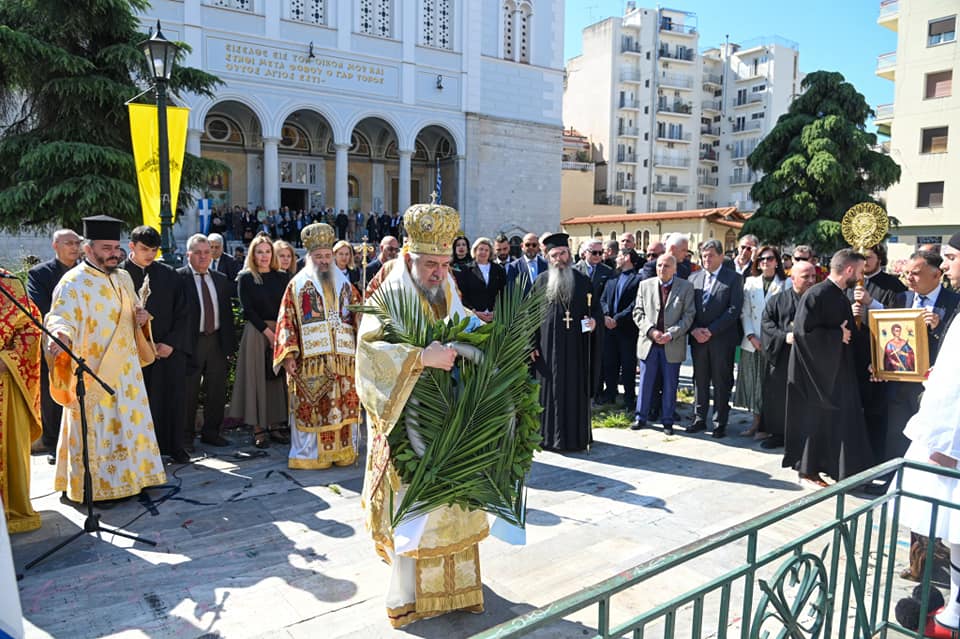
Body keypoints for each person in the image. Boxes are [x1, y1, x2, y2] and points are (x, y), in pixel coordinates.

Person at [356, 202, 491, 627]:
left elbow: (462, 321)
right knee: (417, 512)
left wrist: (486, 339)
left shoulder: (447, 288)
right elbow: (369, 352)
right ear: (409, 258)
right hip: (410, 422)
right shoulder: (390, 294)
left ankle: (457, 591)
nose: (438, 272)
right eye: (431, 264)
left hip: (449, 417)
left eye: (445, 263)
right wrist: (418, 357)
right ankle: (409, 597)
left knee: (453, 506)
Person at [45, 215, 165, 502]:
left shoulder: (123, 277)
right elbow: (59, 318)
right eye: (106, 247)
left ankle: (136, 478)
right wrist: (59, 335)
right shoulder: (73, 283)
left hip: (128, 373)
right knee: (99, 431)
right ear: (89, 249)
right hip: (95, 373)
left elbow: (136, 312)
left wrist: (143, 318)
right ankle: (96, 488)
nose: (114, 252)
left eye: (116, 247)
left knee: (130, 424)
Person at [893, 307, 960, 631]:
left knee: (956, 523)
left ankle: (954, 618)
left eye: (951, 257)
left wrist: (945, 442)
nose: (947, 264)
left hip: (953, 445)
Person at [783, 249, 873, 486]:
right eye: (861, 271)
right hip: (815, 373)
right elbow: (803, 334)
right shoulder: (817, 293)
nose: (862, 276)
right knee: (815, 421)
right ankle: (808, 469)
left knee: (836, 423)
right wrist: (836, 335)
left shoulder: (839, 295)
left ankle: (832, 468)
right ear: (849, 270)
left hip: (836, 371)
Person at [275, 223, 360, 469]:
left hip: (344, 359)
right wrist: (289, 354)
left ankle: (342, 452)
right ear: (310, 257)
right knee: (313, 407)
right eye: (319, 256)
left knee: (343, 407)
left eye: (327, 256)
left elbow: (356, 313)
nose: (324, 261)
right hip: (311, 362)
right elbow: (286, 320)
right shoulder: (297, 284)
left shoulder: (345, 283)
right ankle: (310, 456)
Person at [121, 225, 189, 463]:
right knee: (139, 403)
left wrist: (170, 343)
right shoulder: (119, 276)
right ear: (132, 246)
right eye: (144, 249)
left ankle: (173, 447)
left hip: (165, 351)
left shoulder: (170, 275)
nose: (149, 254)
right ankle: (140, 453)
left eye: (154, 249)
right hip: (132, 353)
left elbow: (184, 313)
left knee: (169, 399)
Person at [532, 233, 602, 451]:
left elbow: (596, 312)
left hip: (575, 351)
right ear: (547, 257)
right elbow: (529, 317)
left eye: (562, 253)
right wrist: (530, 345)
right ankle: (546, 438)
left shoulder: (583, 282)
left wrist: (594, 322)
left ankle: (575, 439)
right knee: (548, 392)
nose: (559, 259)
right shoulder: (541, 281)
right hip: (546, 349)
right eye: (554, 255)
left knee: (573, 391)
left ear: (569, 254)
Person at [229, 235, 291, 449]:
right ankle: (258, 428)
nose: (264, 256)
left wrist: (281, 333)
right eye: (259, 252)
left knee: (276, 379)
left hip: (280, 330)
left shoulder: (282, 277)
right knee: (256, 379)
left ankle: (275, 424)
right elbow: (248, 310)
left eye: (267, 251)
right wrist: (268, 333)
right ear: (253, 255)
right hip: (257, 332)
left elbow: (286, 306)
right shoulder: (246, 277)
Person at [179, 234, 237, 449]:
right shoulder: (179, 279)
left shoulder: (220, 279)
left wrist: (229, 345)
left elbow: (227, 315)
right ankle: (185, 437)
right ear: (188, 255)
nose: (204, 257)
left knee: (216, 390)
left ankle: (212, 432)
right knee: (188, 391)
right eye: (198, 253)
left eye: (207, 252)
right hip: (191, 344)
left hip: (217, 342)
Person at [27, 228, 81, 452]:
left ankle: (79, 440)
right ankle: (52, 444)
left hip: (83, 339)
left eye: (77, 243)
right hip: (54, 341)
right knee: (54, 392)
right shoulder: (40, 273)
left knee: (80, 391)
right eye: (69, 243)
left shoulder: (85, 273)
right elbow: (40, 307)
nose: (74, 247)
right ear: (55, 246)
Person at [631, 254, 696, 434]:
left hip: (672, 343)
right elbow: (638, 312)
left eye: (667, 266)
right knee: (645, 382)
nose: (662, 269)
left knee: (670, 384)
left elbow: (689, 315)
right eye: (659, 265)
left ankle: (667, 420)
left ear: (675, 269)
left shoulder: (686, 287)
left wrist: (671, 334)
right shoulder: (645, 285)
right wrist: (651, 331)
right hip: (649, 342)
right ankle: (640, 417)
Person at [687, 239, 744, 438]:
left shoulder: (733, 279)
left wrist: (711, 330)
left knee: (721, 380)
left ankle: (720, 422)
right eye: (704, 255)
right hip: (697, 339)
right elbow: (688, 309)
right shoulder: (693, 278)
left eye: (711, 255)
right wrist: (694, 329)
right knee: (699, 380)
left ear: (721, 256)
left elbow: (734, 310)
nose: (707, 259)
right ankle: (699, 418)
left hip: (721, 338)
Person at [759, 260, 817, 450]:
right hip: (782, 356)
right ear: (792, 278)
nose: (810, 280)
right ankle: (778, 434)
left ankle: (806, 435)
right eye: (805, 277)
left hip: (810, 360)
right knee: (778, 396)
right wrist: (784, 337)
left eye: (813, 277)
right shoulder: (777, 300)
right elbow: (767, 324)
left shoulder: (819, 301)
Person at [0, 270, 43, 532]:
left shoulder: (7, 284)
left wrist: (8, 359)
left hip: (4, 384)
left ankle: (10, 508)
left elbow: (31, 325)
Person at [735, 246, 790, 438]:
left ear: (777, 261)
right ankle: (755, 423)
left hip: (775, 342)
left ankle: (769, 426)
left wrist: (771, 338)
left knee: (771, 384)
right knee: (754, 383)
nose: (765, 262)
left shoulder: (786, 283)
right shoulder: (750, 282)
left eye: (769, 258)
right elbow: (745, 312)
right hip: (753, 341)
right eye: (761, 259)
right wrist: (751, 335)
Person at [599, 249, 642, 409]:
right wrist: (605, 315)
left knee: (628, 365)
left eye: (619, 256)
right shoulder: (613, 276)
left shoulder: (638, 279)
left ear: (627, 257)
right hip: (609, 329)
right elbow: (603, 299)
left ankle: (629, 398)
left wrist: (617, 319)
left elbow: (635, 304)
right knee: (610, 362)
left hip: (627, 329)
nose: (616, 259)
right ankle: (610, 393)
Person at [454, 236, 506, 323]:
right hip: (474, 317)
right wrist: (474, 312)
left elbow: (503, 292)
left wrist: (497, 312)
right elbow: (462, 294)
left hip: (495, 316)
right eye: (481, 249)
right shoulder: (465, 270)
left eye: (486, 250)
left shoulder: (498, 269)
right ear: (475, 251)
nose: (483, 252)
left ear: (490, 253)